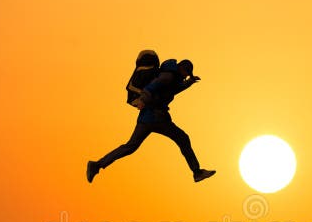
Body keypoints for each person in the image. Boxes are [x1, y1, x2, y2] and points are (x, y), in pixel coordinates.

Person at [86, 57, 216, 183]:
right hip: (157, 117)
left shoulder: (172, 78)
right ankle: (197, 172)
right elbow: (150, 88)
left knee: (131, 146)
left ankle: (96, 165)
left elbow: (175, 89)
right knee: (182, 138)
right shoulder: (168, 77)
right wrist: (142, 100)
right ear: (182, 69)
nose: (185, 77)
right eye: (186, 74)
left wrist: (189, 83)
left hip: (148, 118)